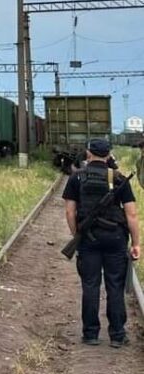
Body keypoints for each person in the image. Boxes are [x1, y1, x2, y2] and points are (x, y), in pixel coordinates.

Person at [62, 138, 141, 347]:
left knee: (90, 285)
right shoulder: (119, 178)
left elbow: (70, 212)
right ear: (108, 154)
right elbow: (132, 215)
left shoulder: (76, 178)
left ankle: (90, 334)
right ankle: (117, 335)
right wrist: (136, 243)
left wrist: (77, 235)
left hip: (88, 239)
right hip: (116, 238)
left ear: (88, 153)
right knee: (115, 285)